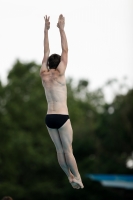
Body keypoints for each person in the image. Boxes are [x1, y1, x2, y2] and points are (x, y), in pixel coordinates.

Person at [40, 14, 84, 189]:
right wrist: (61, 29)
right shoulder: (60, 73)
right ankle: (78, 177)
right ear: (58, 65)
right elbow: (65, 50)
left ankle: (69, 176)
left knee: (59, 151)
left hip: (49, 118)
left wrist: (46, 30)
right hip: (62, 117)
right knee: (68, 150)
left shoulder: (43, 73)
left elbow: (45, 52)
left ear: (49, 64)